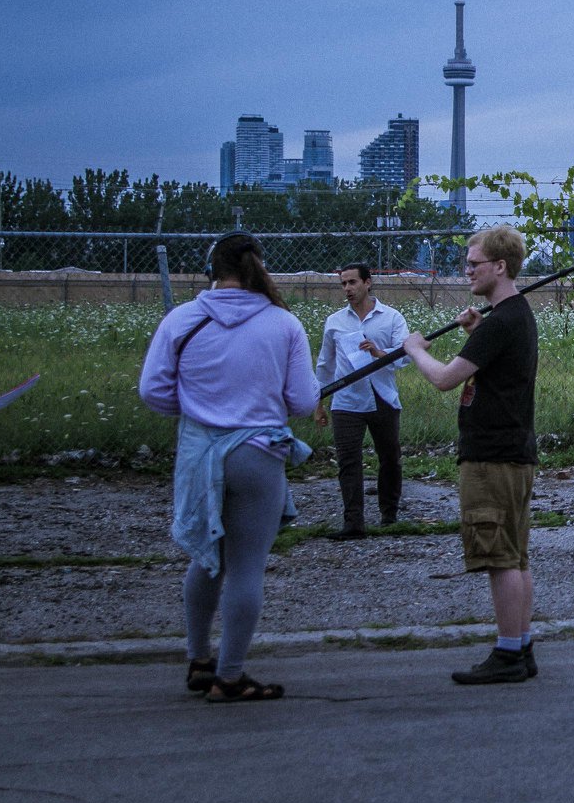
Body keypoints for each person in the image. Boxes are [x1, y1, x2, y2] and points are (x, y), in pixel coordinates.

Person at [138, 231, 317, 704]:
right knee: (246, 568)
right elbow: (303, 401)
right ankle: (230, 676)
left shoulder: (182, 319)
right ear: (259, 267)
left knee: (206, 557)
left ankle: (199, 660)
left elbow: (153, 390)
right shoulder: (283, 323)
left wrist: (200, 411)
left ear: (211, 271)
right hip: (258, 454)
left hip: (200, 455)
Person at [403, 226, 540, 685]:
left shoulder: (500, 322)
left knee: (499, 557)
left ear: (499, 266)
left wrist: (414, 350)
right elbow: (499, 364)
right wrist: (477, 331)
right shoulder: (514, 315)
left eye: (473, 263)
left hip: (491, 457)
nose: (467, 271)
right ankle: (521, 646)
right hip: (514, 452)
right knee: (515, 556)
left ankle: (507, 654)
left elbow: (445, 379)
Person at [313, 263, 411, 538]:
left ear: (368, 283)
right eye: (343, 284)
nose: (347, 288)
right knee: (348, 461)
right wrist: (318, 403)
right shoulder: (335, 322)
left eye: (352, 282)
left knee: (389, 457)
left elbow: (406, 353)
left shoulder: (391, 318)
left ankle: (389, 515)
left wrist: (380, 353)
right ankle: (353, 523)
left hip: (383, 397)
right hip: (347, 401)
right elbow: (325, 364)